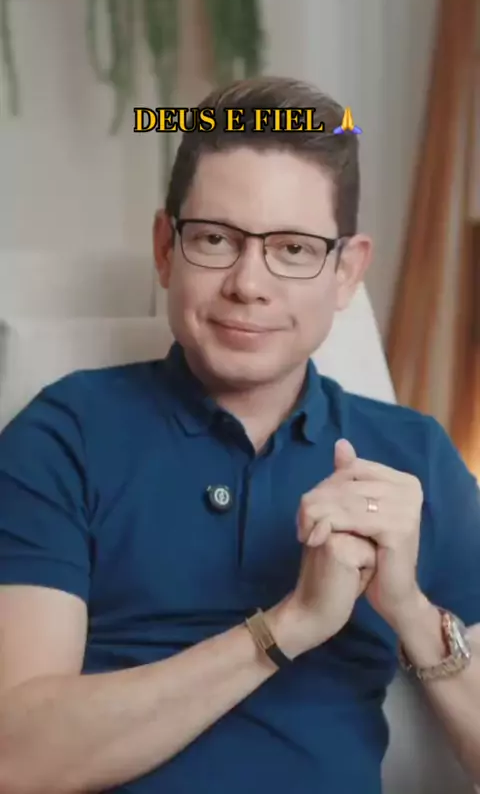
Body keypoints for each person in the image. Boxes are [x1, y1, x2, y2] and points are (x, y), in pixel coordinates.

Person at [0, 76, 479, 794]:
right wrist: (291, 624)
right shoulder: (64, 433)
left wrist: (409, 609)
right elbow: (15, 757)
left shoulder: (415, 459)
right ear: (165, 248)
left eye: (293, 248)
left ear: (347, 271)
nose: (248, 283)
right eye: (216, 239)